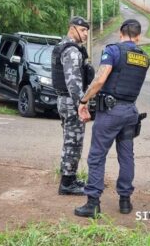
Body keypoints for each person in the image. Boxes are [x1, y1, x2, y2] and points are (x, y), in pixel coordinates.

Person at [74, 19, 149, 218]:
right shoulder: (143, 57)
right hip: (130, 112)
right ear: (138, 36)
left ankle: (93, 203)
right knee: (126, 157)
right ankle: (125, 201)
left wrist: (83, 101)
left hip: (110, 112)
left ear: (120, 32)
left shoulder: (114, 51)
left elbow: (100, 79)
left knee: (97, 156)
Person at [51, 16, 90, 196]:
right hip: (71, 101)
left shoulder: (61, 46)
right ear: (72, 28)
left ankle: (70, 178)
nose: (86, 34)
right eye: (83, 31)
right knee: (74, 142)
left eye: (87, 31)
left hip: (63, 100)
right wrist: (81, 104)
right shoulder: (72, 51)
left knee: (69, 141)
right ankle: (67, 183)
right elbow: (73, 81)